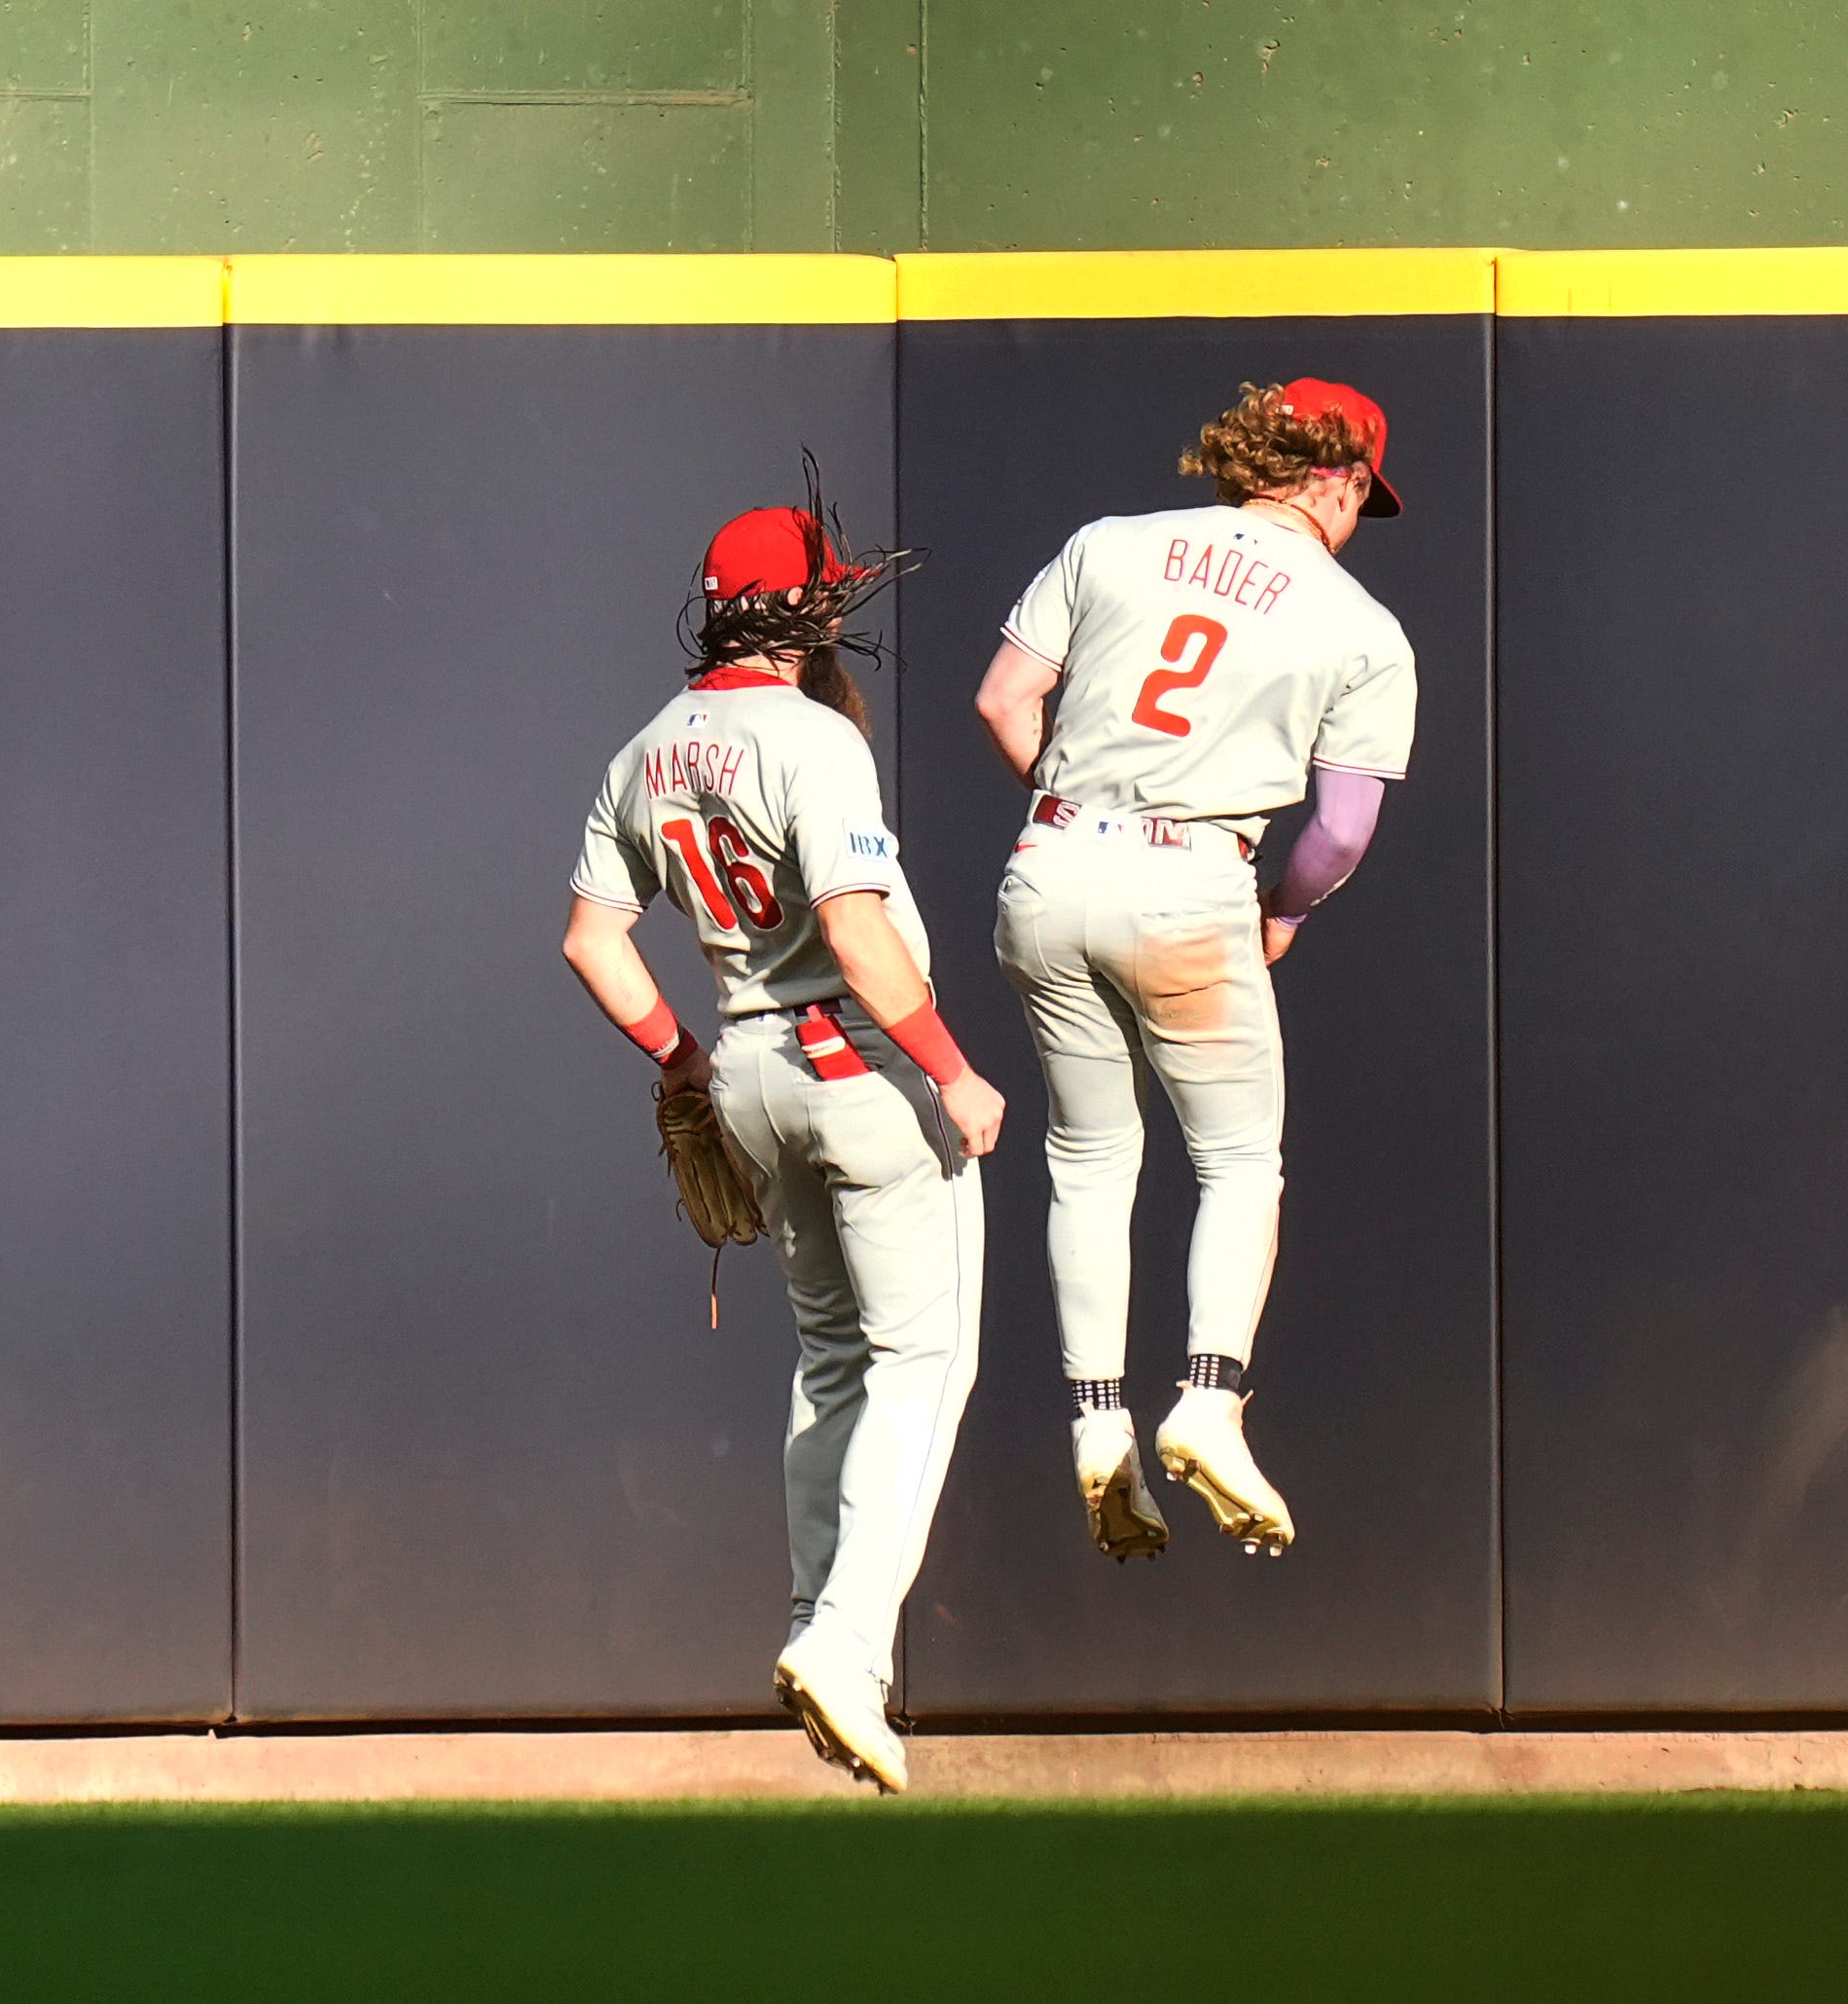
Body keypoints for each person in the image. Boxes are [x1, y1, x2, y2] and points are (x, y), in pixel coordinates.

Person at [562, 478, 1002, 1793]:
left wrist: (683, 1061)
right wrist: (954, 1069)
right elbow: (861, 935)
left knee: (830, 1360)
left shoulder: (645, 745)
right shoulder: (813, 739)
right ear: (807, 612)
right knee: (923, 1357)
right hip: (854, 1061)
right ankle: (847, 1641)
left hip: (746, 1064)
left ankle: (818, 1612)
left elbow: (592, 937)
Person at [973, 380, 1417, 1564]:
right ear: (1334, 477)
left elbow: (1004, 699)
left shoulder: (1110, 545)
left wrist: (1080, 822)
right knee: (1236, 1161)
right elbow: (1339, 832)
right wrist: (1285, 906)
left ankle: (1094, 1413)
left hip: (1053, 861)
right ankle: (1211, 1397)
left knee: (1089, 1160)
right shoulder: (1361, 624)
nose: (1355, 515)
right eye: (1360, 493)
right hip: (1193, 878)